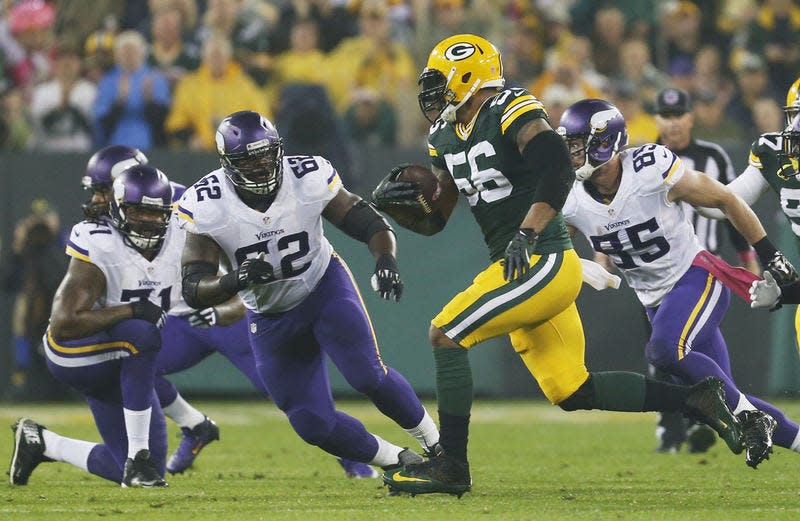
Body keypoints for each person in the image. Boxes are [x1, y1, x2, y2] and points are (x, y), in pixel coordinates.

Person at [373, 34, 742, 497]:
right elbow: (439, 218)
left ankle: (451, 465)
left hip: (540, 257)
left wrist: (528, 231)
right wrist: (408, 210)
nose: (432, 91)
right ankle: (696, 400)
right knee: (571, 390)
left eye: (440, 80)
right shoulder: (443, 135)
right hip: (514, 263)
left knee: (446, 334)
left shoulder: (510, 107)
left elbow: (556, 168)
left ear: (470, 75)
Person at [78, 145, 377, 479]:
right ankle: (194, 424)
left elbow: (233, 266)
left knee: (292, 398)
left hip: (225, 313)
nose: (99, 199)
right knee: (129, 363)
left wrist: (229, 305)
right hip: (180, 319)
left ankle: (356, 461)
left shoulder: (191, 202)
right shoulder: (108, 225)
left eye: (103, 189)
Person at [177, 110, 440, 478]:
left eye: (267, 155)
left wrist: (385, 259)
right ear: (227, 164)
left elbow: (364, 219)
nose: (261, 165)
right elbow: (193, 286)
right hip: (269, 315)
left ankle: (438, 446)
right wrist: (234, 281)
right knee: (309, 422)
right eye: (248, 160)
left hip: (323, 287)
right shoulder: (208, 203)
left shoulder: (307, 176)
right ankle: (398, 460)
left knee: (367, 375)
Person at [559, 98, 800, 470]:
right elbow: (547, 247)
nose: (573, 153)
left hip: (695, 277)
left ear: (604, 142)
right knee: (724, 399)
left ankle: (753, 419)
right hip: (654, 300)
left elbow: (725, 199)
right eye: (570, 145)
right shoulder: (571, 199)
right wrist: (577, 264)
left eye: (578, 144)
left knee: (663, 350)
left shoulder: (649, 167)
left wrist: (769, 254)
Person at [9, 165, 174, 488]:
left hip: (119, 355)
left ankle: (42, 443)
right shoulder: (97, 238)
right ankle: (138, 457)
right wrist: (133, 309)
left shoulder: (179, 230)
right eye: (139, 211)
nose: (149, 221)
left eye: (156, 213)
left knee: (149, 469)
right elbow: (65, 323)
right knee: (142, 334)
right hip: (75, 348)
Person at [651, 87, 760, 454]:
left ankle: (720, 417)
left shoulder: (712, 156)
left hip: (702, 270)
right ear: (656, 119)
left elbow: (732, 206)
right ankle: (675, 428)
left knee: (679, 348)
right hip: (653, 274)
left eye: (679, 114)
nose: (673, 122)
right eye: (666, 115)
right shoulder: (640, 160)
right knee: (663, 352)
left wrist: (749, 257)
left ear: (691, 117)